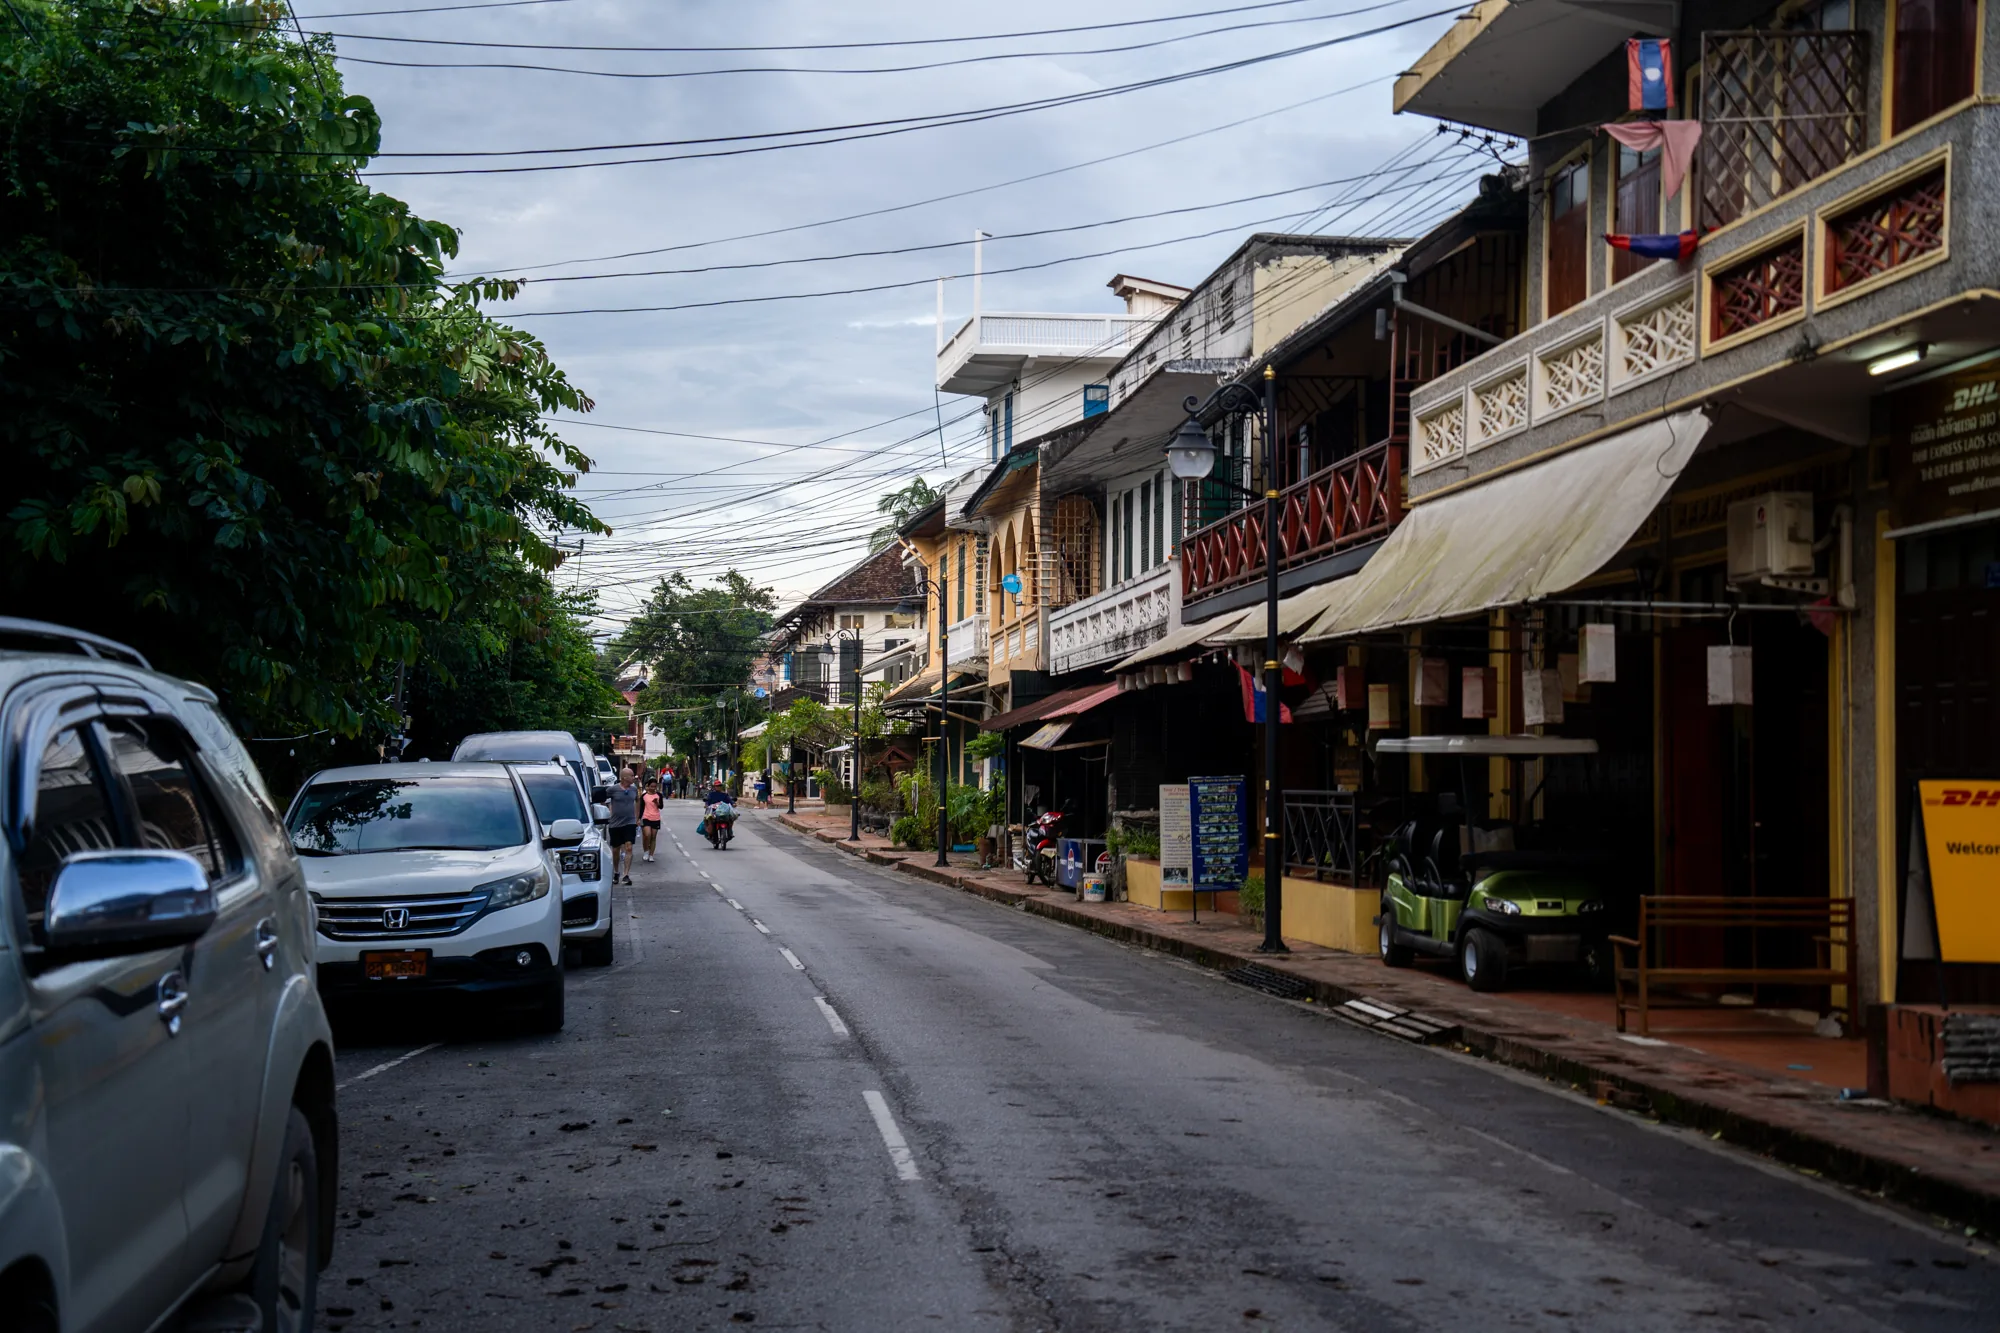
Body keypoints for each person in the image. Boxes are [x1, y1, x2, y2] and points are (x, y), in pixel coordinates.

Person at [606, 766, 640, 885]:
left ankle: (626, 874)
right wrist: (607, 813)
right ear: (624, 777)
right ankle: (616, 872)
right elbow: (603, 799)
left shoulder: (634, 789)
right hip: (615, 823)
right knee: (615, 849)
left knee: (629, 847)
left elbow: (638, 800)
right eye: (631, 775)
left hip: (629, 823)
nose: (633, 777)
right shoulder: (613, 789)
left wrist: (637, 817)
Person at [640, 777, 663, 862]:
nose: (653, 788)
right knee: (647, 835)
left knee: (653, 837)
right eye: (651, 786)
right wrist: (639, 819)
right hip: (646, 817)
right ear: (648, 786)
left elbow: (661, 807)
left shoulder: (659, 795)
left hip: (656, 818)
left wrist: (657, 803)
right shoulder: (644, 796)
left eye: (654, 786)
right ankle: (646, 851)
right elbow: (641, 808)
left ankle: (651, 855)